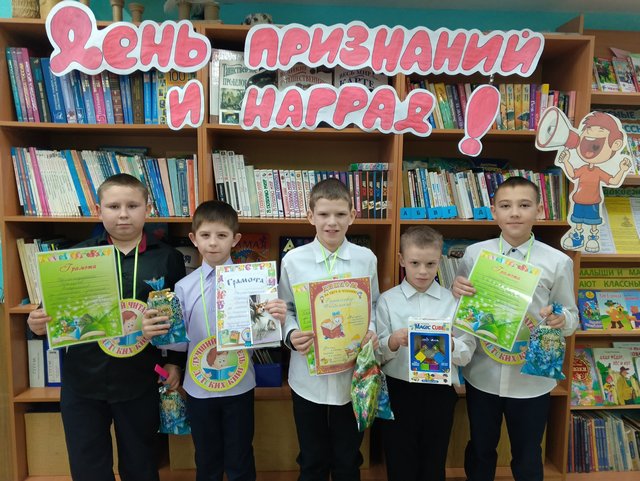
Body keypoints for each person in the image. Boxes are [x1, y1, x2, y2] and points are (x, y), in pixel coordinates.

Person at [27, 173, 186, 481]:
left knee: (141, 465)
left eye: (132, 206)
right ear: (98, 210)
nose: (123, 214)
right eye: (113, 206)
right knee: (88, 467)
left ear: (147, 210)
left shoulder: (169, 258)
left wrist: (175, 362)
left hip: (140, 379)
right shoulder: (73, 258)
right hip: (83, 381)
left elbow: (178, 321)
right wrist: (36, 323)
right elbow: (50, 314)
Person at [142, 200, 287, 481]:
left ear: (236, 239)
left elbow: (262, 335)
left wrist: (275, 320)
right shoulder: (183, 288)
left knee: (240, 456)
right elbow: (179, 343)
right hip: (199, 387)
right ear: (194, 239)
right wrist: (159, 333)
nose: (213, 243)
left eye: (221, 235)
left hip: (239, 383)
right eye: (205, 235)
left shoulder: (255, 281)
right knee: (206, 458)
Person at [452, 176, 579, 481]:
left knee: (527, 453)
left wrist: (561, 320)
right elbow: (462, 309)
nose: (515, 213)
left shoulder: (558, 262)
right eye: (506, 206)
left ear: (539, 210)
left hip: (531, 379)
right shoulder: (475, 255)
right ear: (494, 211)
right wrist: (455, 291)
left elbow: (571, 315)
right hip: (483, 373)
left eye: (524, 205)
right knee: (480, 449)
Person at [278, 178, 380, 481]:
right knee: (311, 458)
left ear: (352, 215)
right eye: (323, 214)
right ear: (310, 216)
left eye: (340, 214)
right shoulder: (293, 260)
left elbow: (373, 305)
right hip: (306, 378)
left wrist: (371, 330)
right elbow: (286, 309)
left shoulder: (366, 259)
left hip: (352, 376)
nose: (331, 222)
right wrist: (291, 335)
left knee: (348, 459)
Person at [376, 225, 475, 481]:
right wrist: (392, 341)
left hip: (439, 394)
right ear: (401, 260)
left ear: (439, 260)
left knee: (434, 460)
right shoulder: (387, 301)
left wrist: (450, 345)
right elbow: (376, 354)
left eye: (430, 264)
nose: (423, 271)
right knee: (399, 460)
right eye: (415, 263)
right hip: (398, 390)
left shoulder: (453, 301)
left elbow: (467, 353)